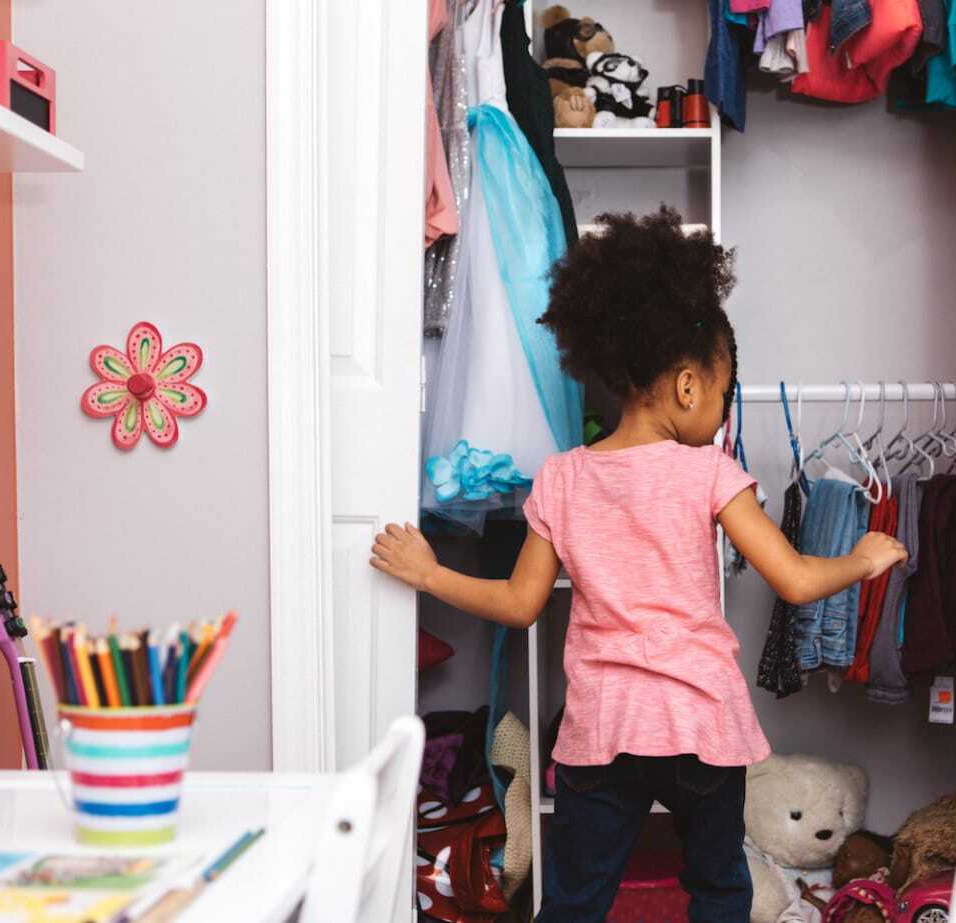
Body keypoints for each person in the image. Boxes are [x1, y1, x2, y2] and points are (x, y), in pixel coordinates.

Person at [371, 207, 906, 922]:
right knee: (718, 887)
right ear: (688, 387)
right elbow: (797, 579)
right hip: (699, 722)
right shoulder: (709, 473)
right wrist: (863, 557)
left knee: (576, 899)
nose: (718, 412)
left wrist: (430, 572)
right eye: (720, 396)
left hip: (604, 729)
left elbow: (520, 603)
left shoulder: (560, 478)